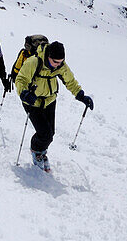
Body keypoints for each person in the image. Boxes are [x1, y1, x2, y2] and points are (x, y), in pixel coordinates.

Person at [14, 40, 94, 171]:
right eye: (55, 62)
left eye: (61, 61)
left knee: (51, 133)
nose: (58, 65)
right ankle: (36, 151)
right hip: (32, 101)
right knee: (45, 133)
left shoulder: (60, 65)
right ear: (48, 57)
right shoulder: (34, 62)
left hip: (50, 100)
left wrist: (81, 95)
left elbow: (70, 81)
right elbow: (20, 79)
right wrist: (24, 94)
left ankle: (41, 151)